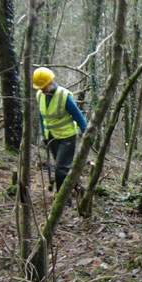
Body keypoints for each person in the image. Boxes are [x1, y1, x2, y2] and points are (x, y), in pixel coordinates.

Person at [32, 67, 87, 205]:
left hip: (67, 137)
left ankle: (63, 200)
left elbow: (78, 115)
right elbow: (41, 116)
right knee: (64, 168)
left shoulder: (64, 96)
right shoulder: (40, 95)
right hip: (51, 137)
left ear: (51, 82)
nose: (42, 89)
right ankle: (81, 190)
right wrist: (43, 134)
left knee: (60, 169)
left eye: (44, 86)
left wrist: (86, 131)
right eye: (40, 87)